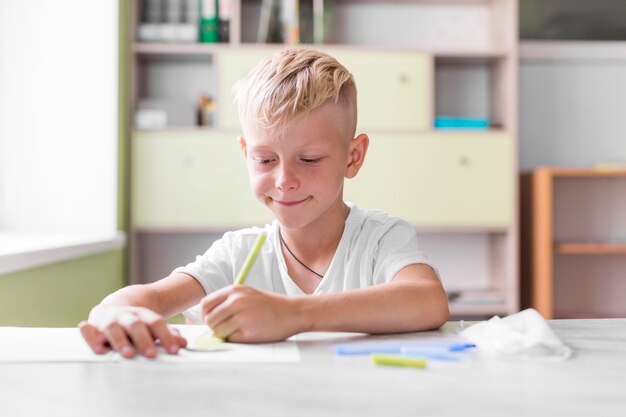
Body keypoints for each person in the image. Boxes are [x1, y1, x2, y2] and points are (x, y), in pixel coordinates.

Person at [80, 48, 449, 358]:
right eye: (265, 160)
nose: (284, 180)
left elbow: (427, 301)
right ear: (246, 154)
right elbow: (149, 297)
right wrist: (114, 313)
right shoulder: (238, 253)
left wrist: (293, 315)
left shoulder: (380, 238)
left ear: (352, 157)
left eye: (310, 159)